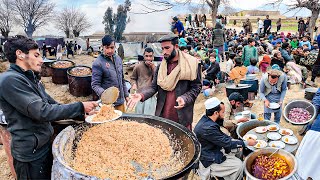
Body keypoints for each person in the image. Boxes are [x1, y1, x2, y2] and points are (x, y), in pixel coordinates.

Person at [0, 35, 97, 180]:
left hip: (44, 144)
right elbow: (41, 111)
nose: (41, 60)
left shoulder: (30, 78)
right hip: (29, 154)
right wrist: (80, 105)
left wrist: (81, 114)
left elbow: (52, 104)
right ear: (20, 54)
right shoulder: (10, 80)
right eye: (36, 55)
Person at [128, 34, 202, 130]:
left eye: (167, 48)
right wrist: (141, 95)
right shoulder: (161, 67)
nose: (164, 52)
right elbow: (154, 87)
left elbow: (197, 87)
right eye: (162, 49)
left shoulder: (191, 64)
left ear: (176, 46)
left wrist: (185, 98)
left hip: (182, 116)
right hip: (163, 116)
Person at [194, 97, 249, 180]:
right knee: (239, 165)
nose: (224, 115)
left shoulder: (208, 118)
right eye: (222, 112)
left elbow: (223, 134)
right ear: (216, 113)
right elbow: (226, 143)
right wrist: (245, 143)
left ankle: (229, 174)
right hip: (208, 158)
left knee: (238, 150)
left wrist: (237, 142)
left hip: (214, 148)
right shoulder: (207, 128)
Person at [91, 35, 129, 112]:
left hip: (120, 102)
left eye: (112, 47)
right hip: (108, 105)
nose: (109, 51)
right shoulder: (98, 63)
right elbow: (95, 85)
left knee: (121, 123)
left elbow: (122, 79)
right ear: (102, 47)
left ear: (115, 46)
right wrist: (105, 94)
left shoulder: (118, 59)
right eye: (107, 48)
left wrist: (126, 95)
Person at [130, 47, 156, 115]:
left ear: (153, 57)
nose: (148, 58)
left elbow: (158, 80)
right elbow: (133, 78)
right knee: (139, 116)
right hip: (139, 95)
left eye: (150, 56)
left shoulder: (156, 67)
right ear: (143, 56)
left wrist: (153, 68)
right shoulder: (138, 67)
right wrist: (134, 84)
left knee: (149, 117)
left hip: (150, 96)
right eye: (146, 56)